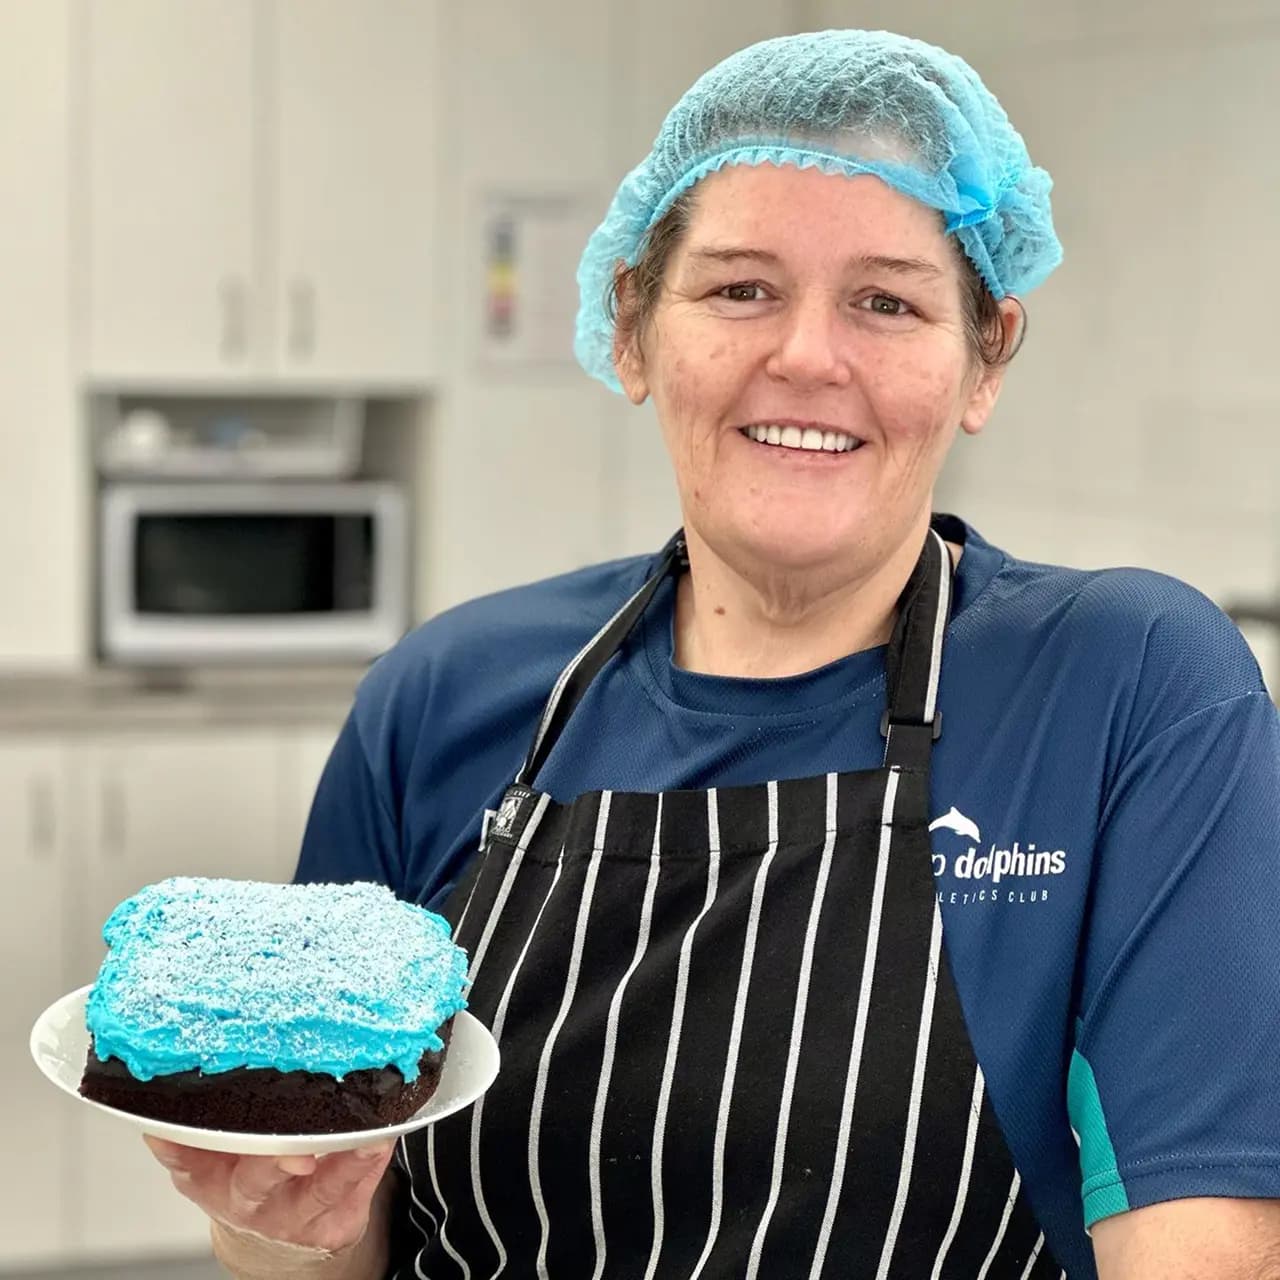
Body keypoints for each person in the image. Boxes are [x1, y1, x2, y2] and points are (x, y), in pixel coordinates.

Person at [145, 28, 1280, 1279]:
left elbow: (1201, 1240)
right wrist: (272, 1216)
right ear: (633, 329)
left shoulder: (1125, 686)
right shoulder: (442, 696)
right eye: (739, 287)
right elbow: (329, 1240)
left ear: (981, 358)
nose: (805, 355)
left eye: (886, 300)